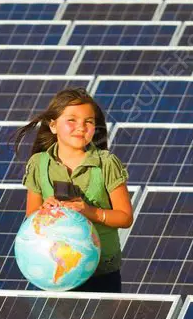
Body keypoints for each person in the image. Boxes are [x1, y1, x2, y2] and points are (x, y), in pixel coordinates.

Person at [12, 87, 134, 293]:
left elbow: (125, 217)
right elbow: (31, 216)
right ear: (53, 125)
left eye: (89, 121)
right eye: (72, 120)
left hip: (101, 271)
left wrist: (91, 212)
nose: (81, 127)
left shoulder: (107, 163)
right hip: (54, 270)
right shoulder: (38, 164)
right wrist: (45, 210)